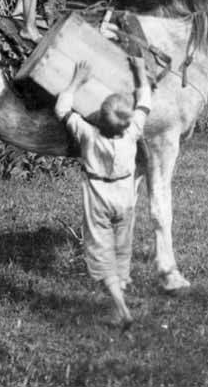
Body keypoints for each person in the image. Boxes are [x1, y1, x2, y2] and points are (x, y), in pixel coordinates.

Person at [54, 57, 152, 329]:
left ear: (100, 117)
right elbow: (145, 101)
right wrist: (140, 72)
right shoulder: (133, 132)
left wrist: (76, 81)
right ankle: (121, 287)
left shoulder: (87, 133)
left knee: (100, 253)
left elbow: (62, 109)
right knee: (122, 248)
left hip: (97, 202)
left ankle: (121, 308)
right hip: (125, 200)